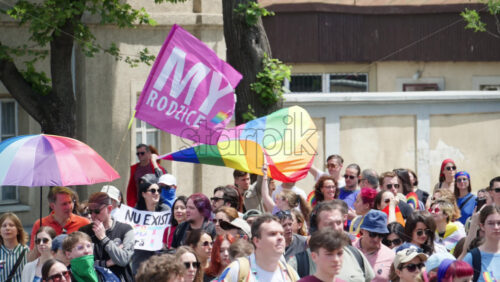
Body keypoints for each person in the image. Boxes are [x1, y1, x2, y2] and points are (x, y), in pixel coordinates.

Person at [288, 200, 375, 282]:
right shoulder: (299, 262)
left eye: (338, 223)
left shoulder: (355, 254)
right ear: (316, 227)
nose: (336, 228)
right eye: (329, 224)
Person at [220, 214, 299, 282]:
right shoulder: (238, 269)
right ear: (257, 241)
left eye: (281, 234)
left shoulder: (290, 274)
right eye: (272, 234)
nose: (280, 238)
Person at [79, 192, 135, 281]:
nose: (92, 215)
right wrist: (107, 263)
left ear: (109, 209)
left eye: (97, 211)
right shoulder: (84, 232)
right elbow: (81, 263)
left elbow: (123, 259)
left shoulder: (125, 230)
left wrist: (104, 238)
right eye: (90, 211)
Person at [30, 187, 90, 254]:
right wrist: (37, 245)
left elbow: (91, 253)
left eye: (70, 202)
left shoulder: (84, 223)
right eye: (64, 204)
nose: (69, 207)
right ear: (52, 206)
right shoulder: (40, 224)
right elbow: (31, 259)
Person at [353, 210, 395, 282]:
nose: (376, 239)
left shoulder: (390, 256)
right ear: (362, 230)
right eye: (373, 234)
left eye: (381, 235)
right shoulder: (349, 249)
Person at [462, 205, 500, 282]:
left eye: (499, 223)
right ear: (482, 226)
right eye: (491, 223)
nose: (496, 227)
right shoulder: (472, 257)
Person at [0, 212, 29, 282]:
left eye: (11, 225)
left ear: (18, 230)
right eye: (4, 226)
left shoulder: (27, 251)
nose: (7, 228)